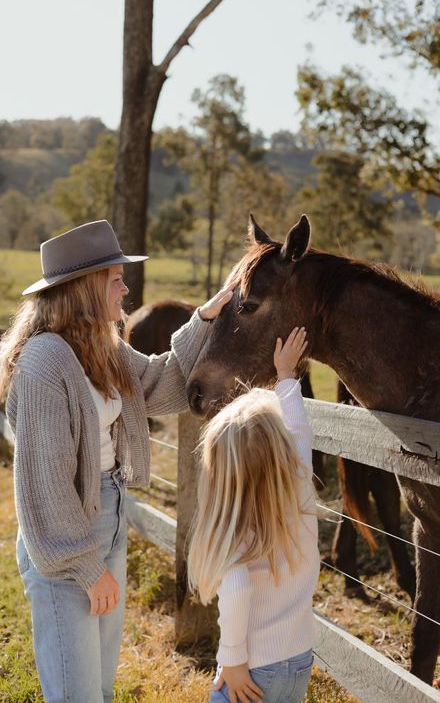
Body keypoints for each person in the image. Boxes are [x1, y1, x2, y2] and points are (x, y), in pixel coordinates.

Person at [0, 219, 234, 703]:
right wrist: (87, 568)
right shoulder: (44, 363)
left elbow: (161, 384)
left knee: (100, 689)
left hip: (107, 517)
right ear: (85, 288)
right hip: (65, 542)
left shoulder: (100, 348)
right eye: (115, 278)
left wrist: (206, 317)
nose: (126, 288)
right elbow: (45, 484)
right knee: (75, 694)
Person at [187, 327, 321, 703]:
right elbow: (298, 430)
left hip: (252, 670)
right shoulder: (300, 488)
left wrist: (231, 660)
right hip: (297, 659)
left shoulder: (237, 525)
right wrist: (286, 376)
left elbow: (238, 588)